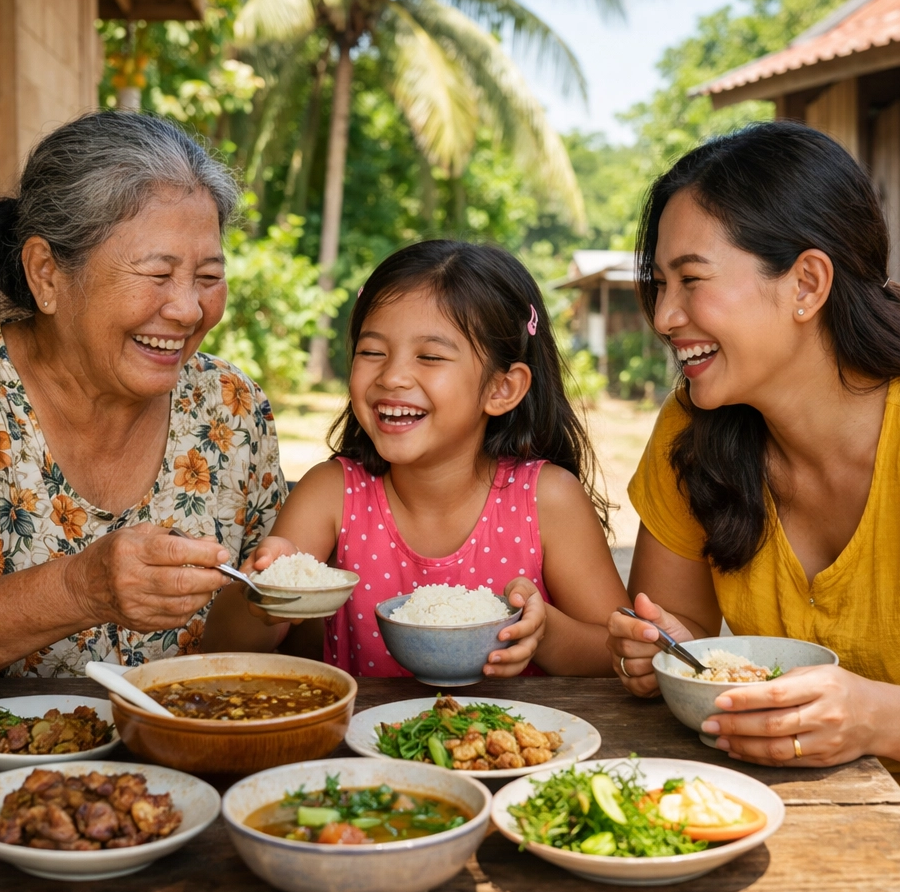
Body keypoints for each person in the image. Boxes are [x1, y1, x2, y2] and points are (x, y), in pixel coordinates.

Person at [607, 121, 900, 856]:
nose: (665, 318)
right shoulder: (694, 427)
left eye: (692, 280)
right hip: (777, 787)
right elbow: (680, 637)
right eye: (660, 285)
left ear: (806, 284)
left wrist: (872, 718)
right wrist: (656, 656)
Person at [0, 111, 287, 690]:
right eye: (157, 272)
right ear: (47, 274)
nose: (188, 309)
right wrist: (79, 589)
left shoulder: (232, 407)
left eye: (207, 275)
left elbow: (266, 634)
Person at [250, 240, 628, 677]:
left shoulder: (547, 500)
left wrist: (544, 634)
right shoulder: (331, 493)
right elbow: (230, 645)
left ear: (501, 389)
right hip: (363, 744)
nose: (392, 376)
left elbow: (618, 648)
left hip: (517, 741)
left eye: (429, 357)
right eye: (372, 352)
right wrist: (264, 595)